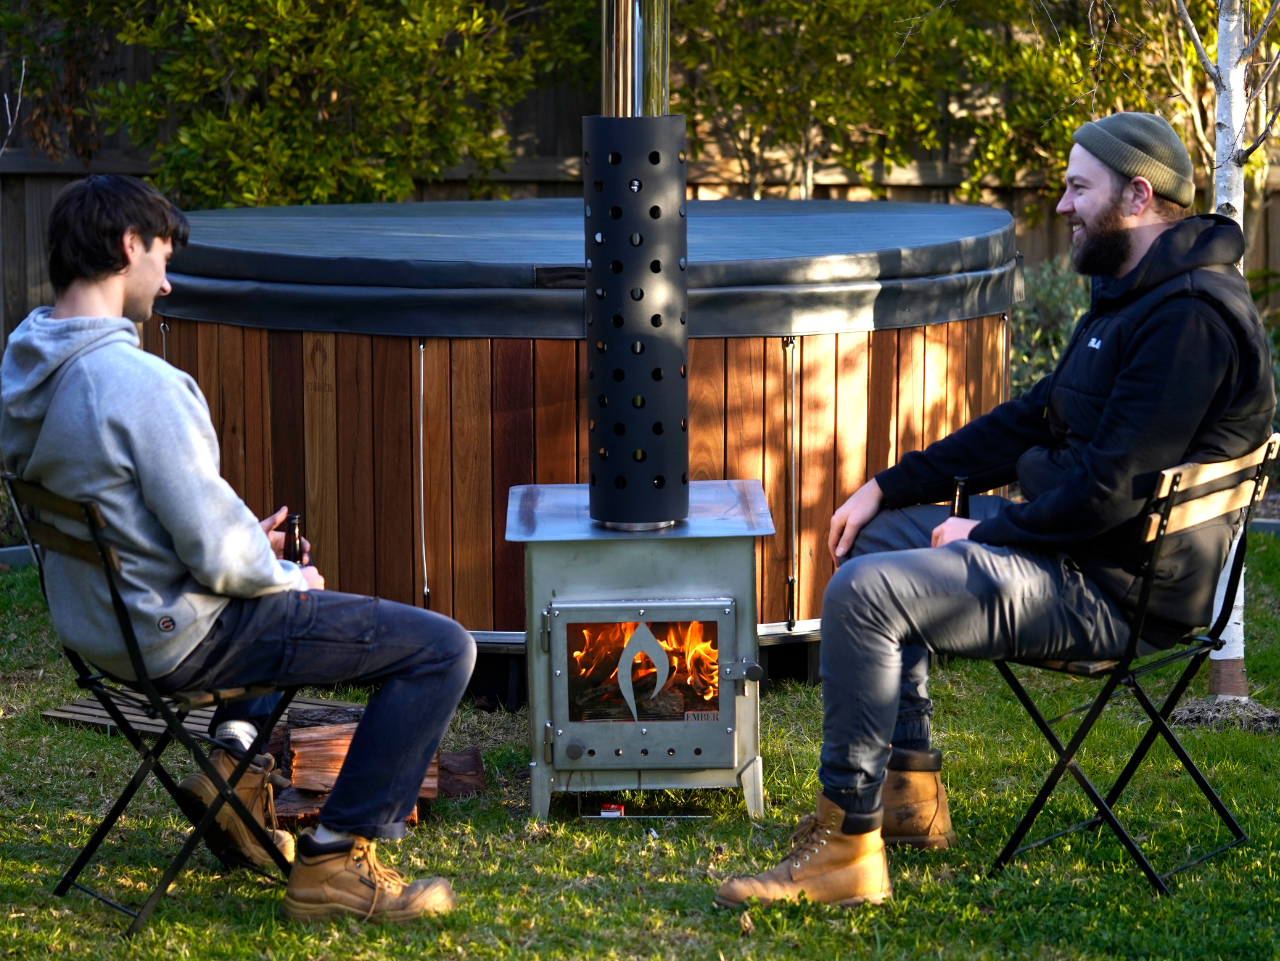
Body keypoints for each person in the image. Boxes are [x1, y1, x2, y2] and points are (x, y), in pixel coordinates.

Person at [715, 112, 1276, 908]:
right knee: (877, 536)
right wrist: (889, 482)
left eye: (1080, 187)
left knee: (867, 595)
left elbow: (1108, 490)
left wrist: (988, 527)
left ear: (1139, 195)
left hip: (1115, 592)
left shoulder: (1189, 321)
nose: (1063, 206)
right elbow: (1034, 418)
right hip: (1081, 553)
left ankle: (845, 848)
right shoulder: (1133, 297)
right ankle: (906, 796)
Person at [0, 175, 475, 924]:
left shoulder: (24, 372)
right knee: (441, 647)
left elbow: (125, 514)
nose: (167, 275)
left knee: (264, 574)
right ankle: (332, 861)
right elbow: (225, 565)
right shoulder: (138, 384)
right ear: (128, 246)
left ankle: (234, 762)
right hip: (178, 639)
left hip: (104, 630)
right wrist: (286, 572)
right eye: (161, 253)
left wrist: (246, 546)